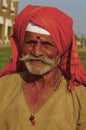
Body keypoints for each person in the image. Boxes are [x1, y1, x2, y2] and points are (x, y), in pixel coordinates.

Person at [0, 5, 86, 130]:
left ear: (60, 49)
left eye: (47, 44)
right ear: (21, 45)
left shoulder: (80, 97)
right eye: (30, 43)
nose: (37, 52)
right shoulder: (3, 87)